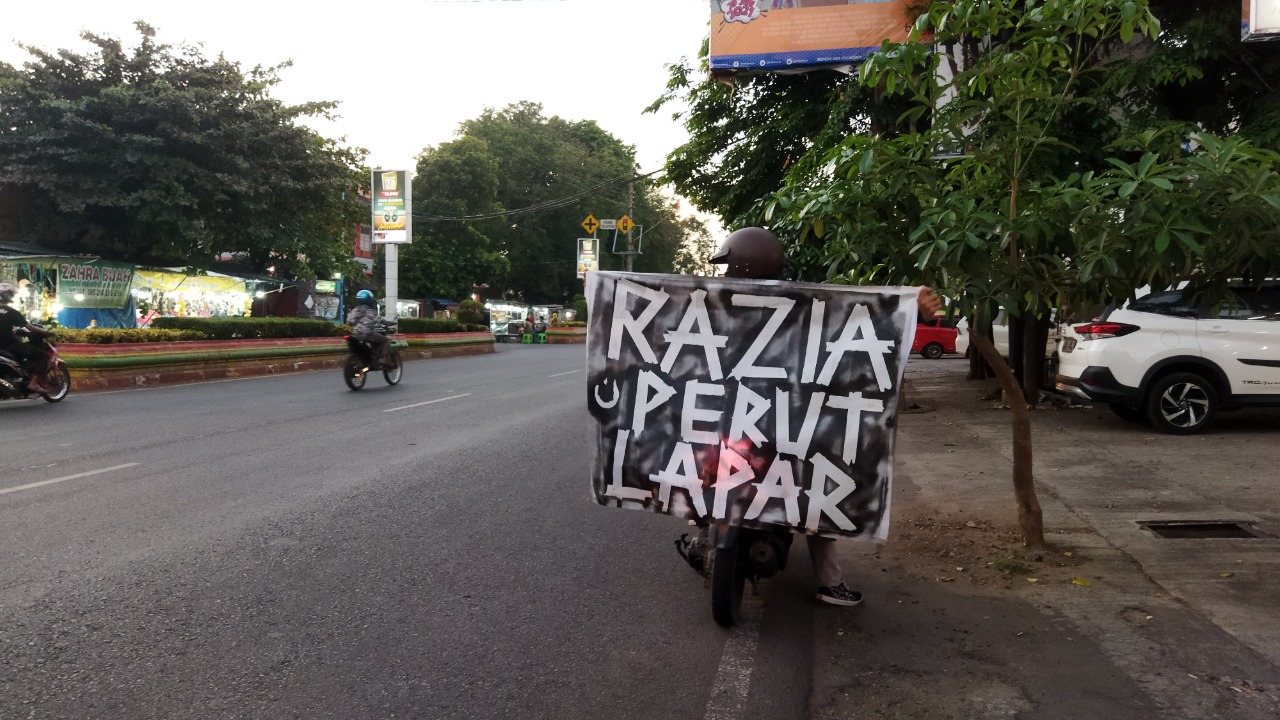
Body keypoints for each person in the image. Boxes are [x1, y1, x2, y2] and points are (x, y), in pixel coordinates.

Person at [705, 227, 942, 607]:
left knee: (815, 486)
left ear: (741, 264)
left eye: (730, 265)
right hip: (772, 424)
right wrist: (910, 307)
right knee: (814, 492)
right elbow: (857, 319)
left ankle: (829, 580)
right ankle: (831, 583)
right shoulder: (792, 302)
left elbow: (857, 323)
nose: (726, 272)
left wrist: (909, 308)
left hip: (773, 424)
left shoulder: (726, 303)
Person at [0, 282, 55, 391]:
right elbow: (30, 328)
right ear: (7, 295)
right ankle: (33, 383)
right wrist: (45, 332)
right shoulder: (12, 312)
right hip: (10, 346)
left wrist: (14, 331)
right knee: (44, 356)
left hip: (3, 348)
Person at [345, 289, 391, 362]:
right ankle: (385, 359)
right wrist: (387, 323)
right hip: (368, 333)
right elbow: (379, 320)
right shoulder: (370, 311)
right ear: (370, 300)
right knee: (385, 340)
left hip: (356, 333)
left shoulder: (356, 310)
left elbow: (350, 321)